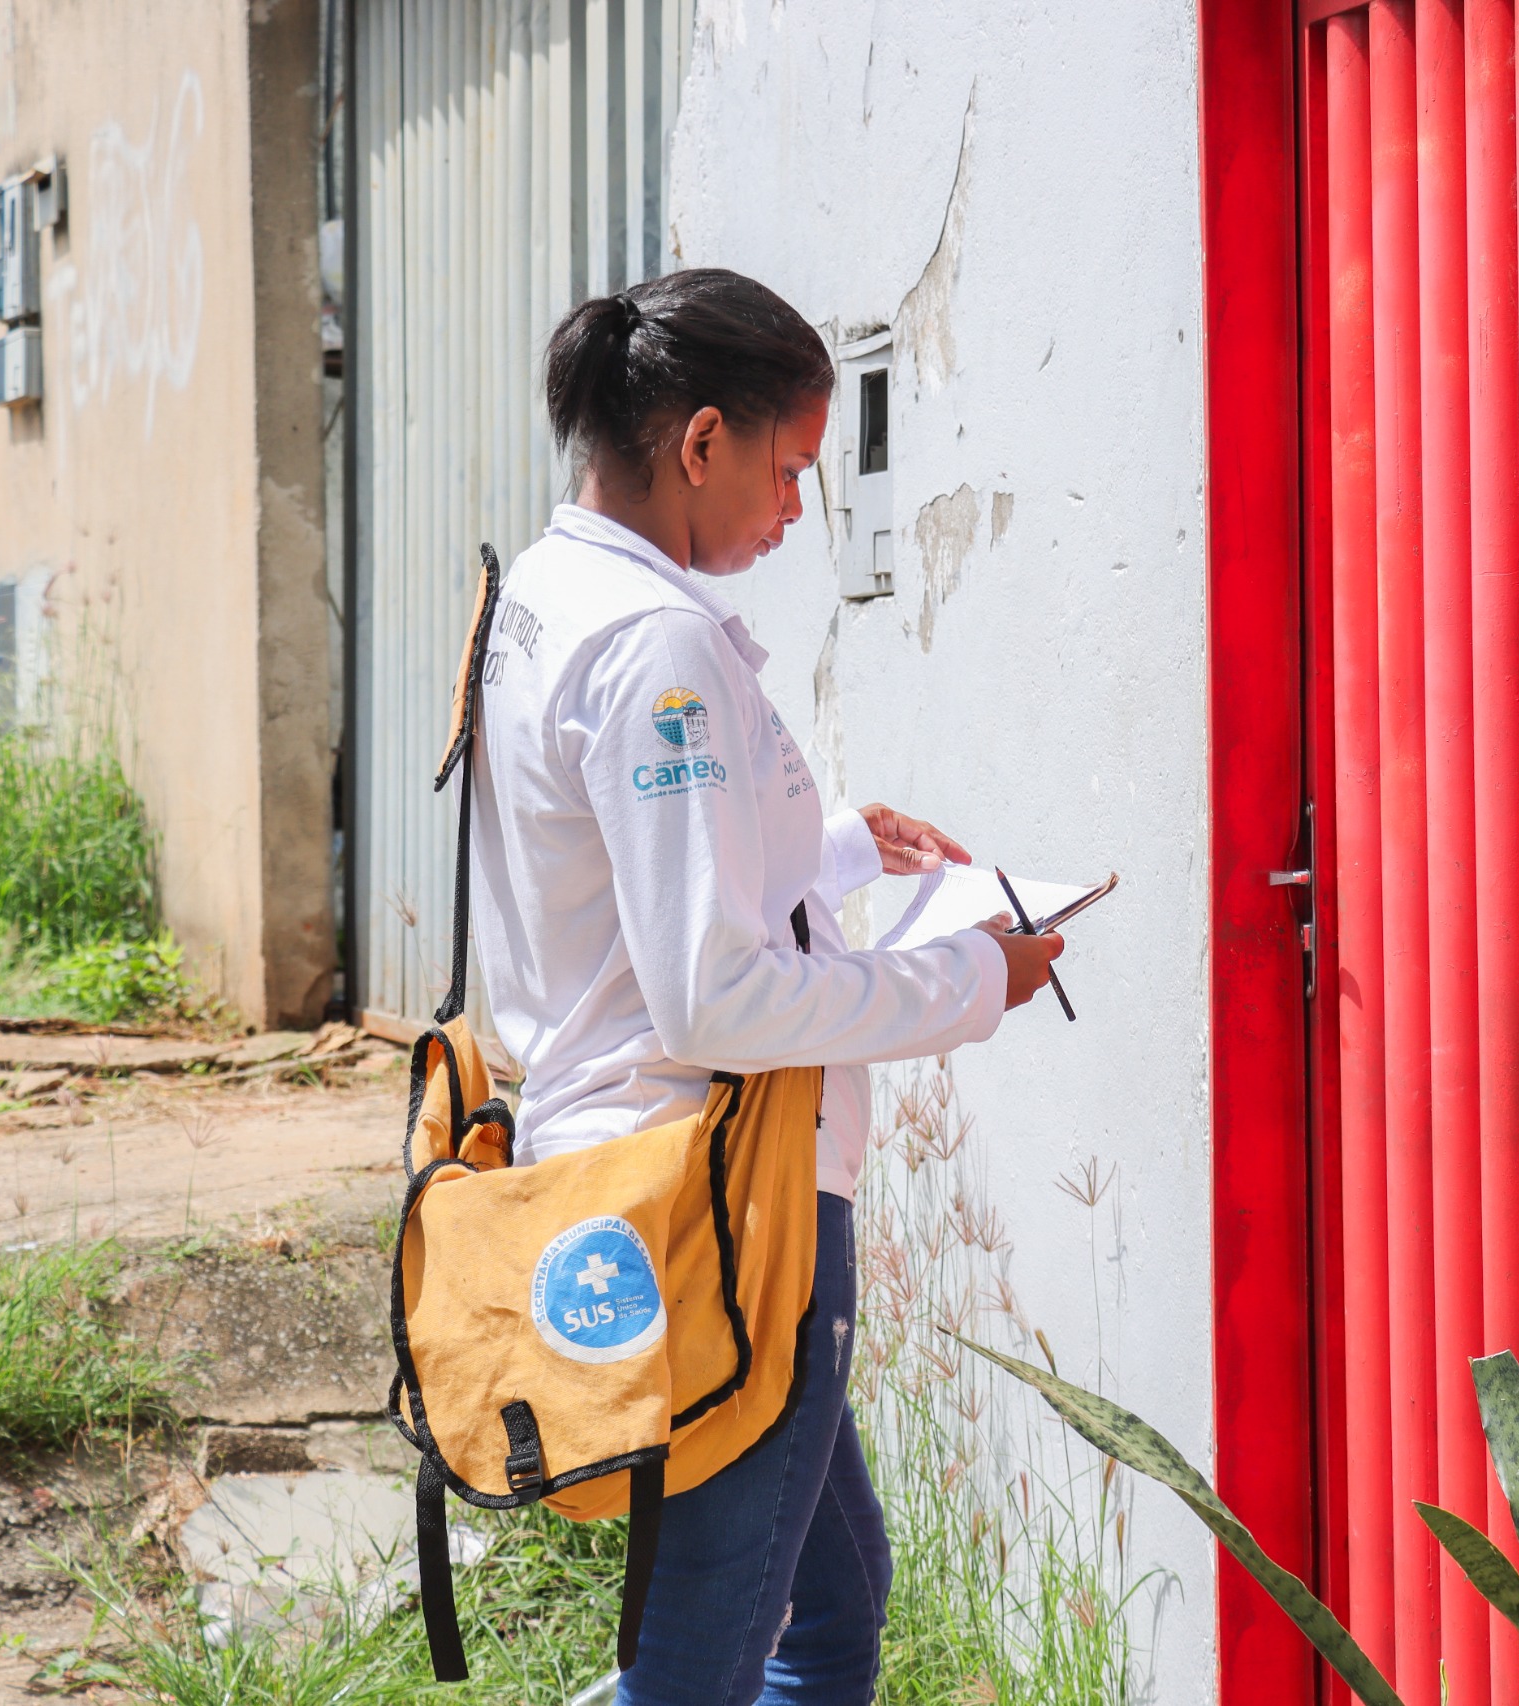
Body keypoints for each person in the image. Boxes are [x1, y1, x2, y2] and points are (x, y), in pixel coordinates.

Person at [469, 267, 1065, 1706]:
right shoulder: (654, 645)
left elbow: (622, 872)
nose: (798, 509)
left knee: (830, 1614)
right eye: (789, 469)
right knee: (705, 1664)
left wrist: (840, 845)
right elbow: (715, 997)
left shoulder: (545, 592)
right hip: (720, 1206)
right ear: (701, 442)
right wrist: (968, 976)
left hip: (638, 1171)